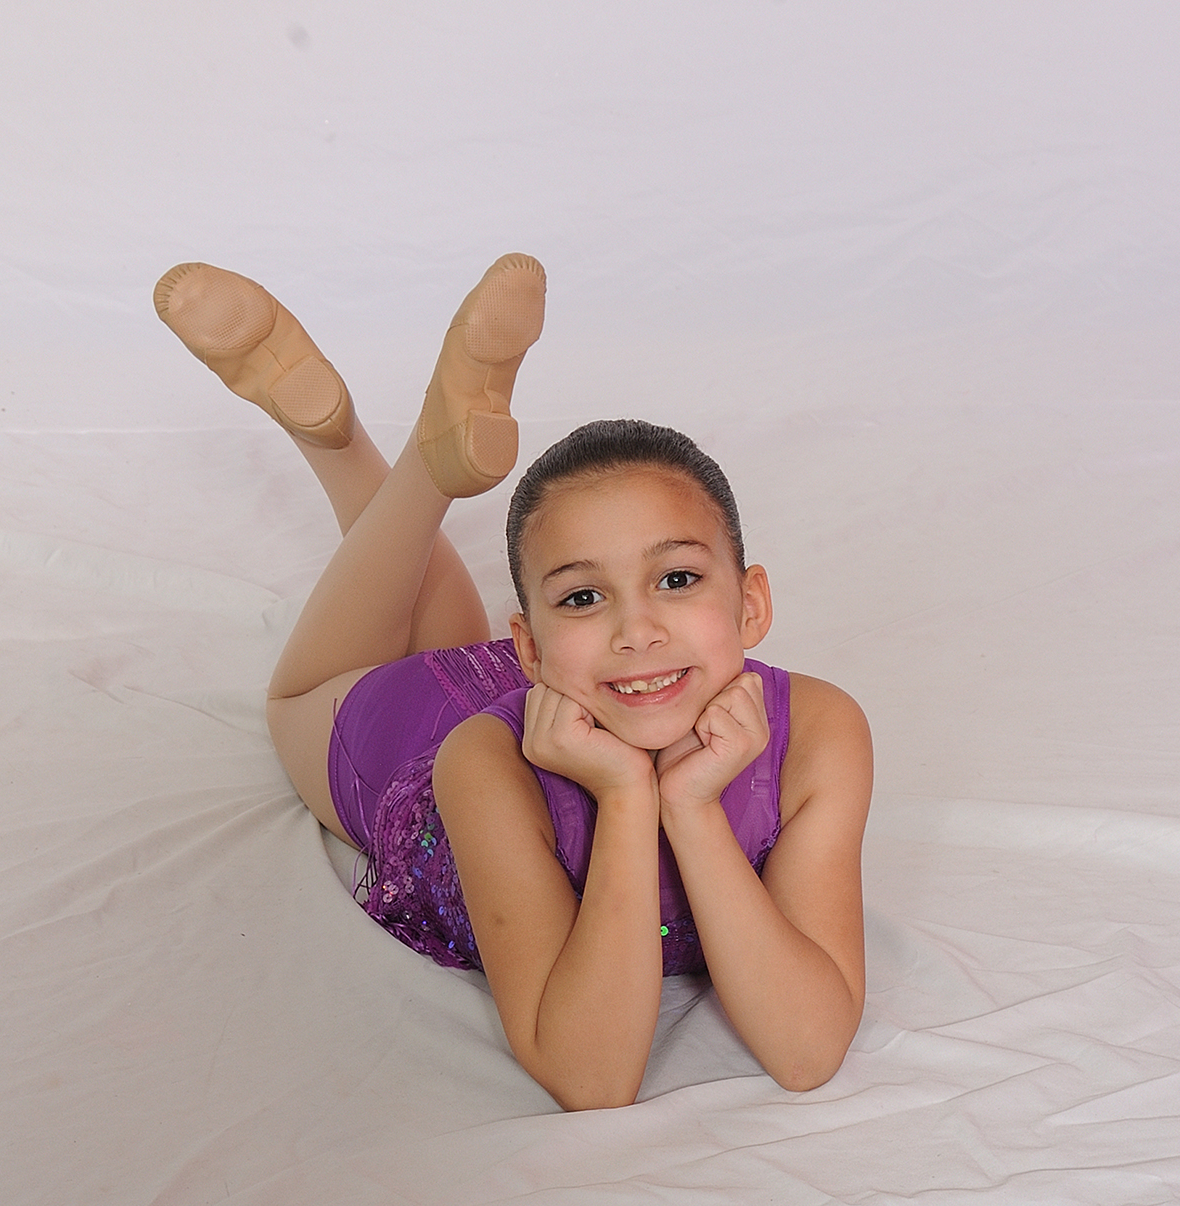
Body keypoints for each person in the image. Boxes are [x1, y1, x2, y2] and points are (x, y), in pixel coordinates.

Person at [154, 254, 872, 1111]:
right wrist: (629, 798)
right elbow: (591, 1078)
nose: (636, 630)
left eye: (677, 579)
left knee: (418, 603)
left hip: (591, 691)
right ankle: (368, 450)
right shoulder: (481, 764)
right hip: (418, 734)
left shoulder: (820, 729)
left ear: (751, 603)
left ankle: (388, 446)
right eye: (583, 595)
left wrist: (689, 805)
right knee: (297, 700)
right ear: (525, 646)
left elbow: (807, 1049)